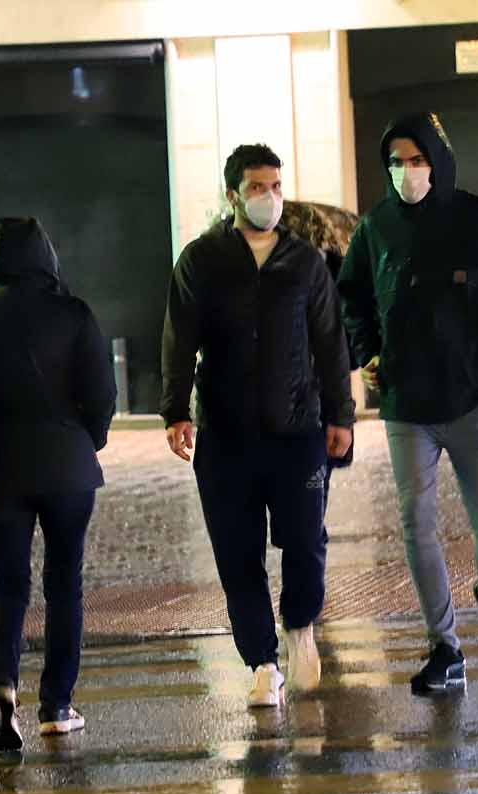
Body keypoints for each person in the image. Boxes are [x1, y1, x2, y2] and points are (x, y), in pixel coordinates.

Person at [338, 111, 478, 696]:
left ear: (437, 161)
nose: (405, 172)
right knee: (415, 525)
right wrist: (366, 353)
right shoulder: (376, 228)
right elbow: (352, 301)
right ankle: (444, 646)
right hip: (407, 407)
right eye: (395, 162)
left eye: (416, 160)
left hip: (474, 404)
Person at [160, 144, 355, 709]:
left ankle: (300, 629)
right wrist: (175, 410)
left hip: (297, 430)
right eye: (256, 188)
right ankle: (261, 661)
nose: (270, 197)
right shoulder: (202, 260)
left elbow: (330, 342)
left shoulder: (305, 263)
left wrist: (340, 415)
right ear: (232, 196)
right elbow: (178, 339)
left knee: (305, 541)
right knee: (237, 553)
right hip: (225, 434)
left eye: (275, 186)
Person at [0, 217, 116, 748]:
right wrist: (83, 440)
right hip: (67, 467)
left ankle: (1, 684)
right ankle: (57, 704)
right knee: (63, 581)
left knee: (8, 581)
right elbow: (101, 393)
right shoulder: (72, 313)